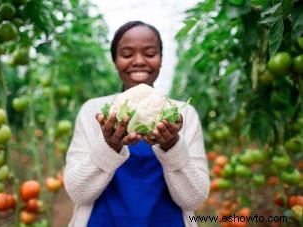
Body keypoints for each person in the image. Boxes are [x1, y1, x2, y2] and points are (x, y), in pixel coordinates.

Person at [63, 21, 210, 227]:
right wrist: (109, 146)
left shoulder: (184, 114)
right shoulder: (92, 111)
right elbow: (77, 192)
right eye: (127, 54)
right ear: (115, 60)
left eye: (150, 53)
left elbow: (194, 198)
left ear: (160, 60)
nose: (139, 61)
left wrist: (172, 146)